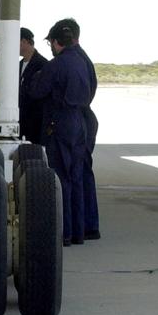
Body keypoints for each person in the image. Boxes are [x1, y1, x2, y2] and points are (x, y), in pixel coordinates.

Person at [25, 20, 91, 246]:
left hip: (59, 122)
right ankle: (77, 232)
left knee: (59, 178)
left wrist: (35, 77)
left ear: (55, 42)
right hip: (79, 121)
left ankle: (63, 232)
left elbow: (36, 92)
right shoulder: (82, 62)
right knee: (76, 177)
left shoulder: (56, 65)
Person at [58, 17, 100, 240]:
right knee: (81, 172)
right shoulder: (83, 59)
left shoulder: (73, 60)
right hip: (83, 117)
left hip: (77, 118)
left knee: (77, 173)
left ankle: (80, 227)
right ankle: (86, 226)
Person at [17, 27, 48, 144]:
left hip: (35, 123)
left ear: (24, 41)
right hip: (21, 122)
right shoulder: (18, 65)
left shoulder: (43, 64)